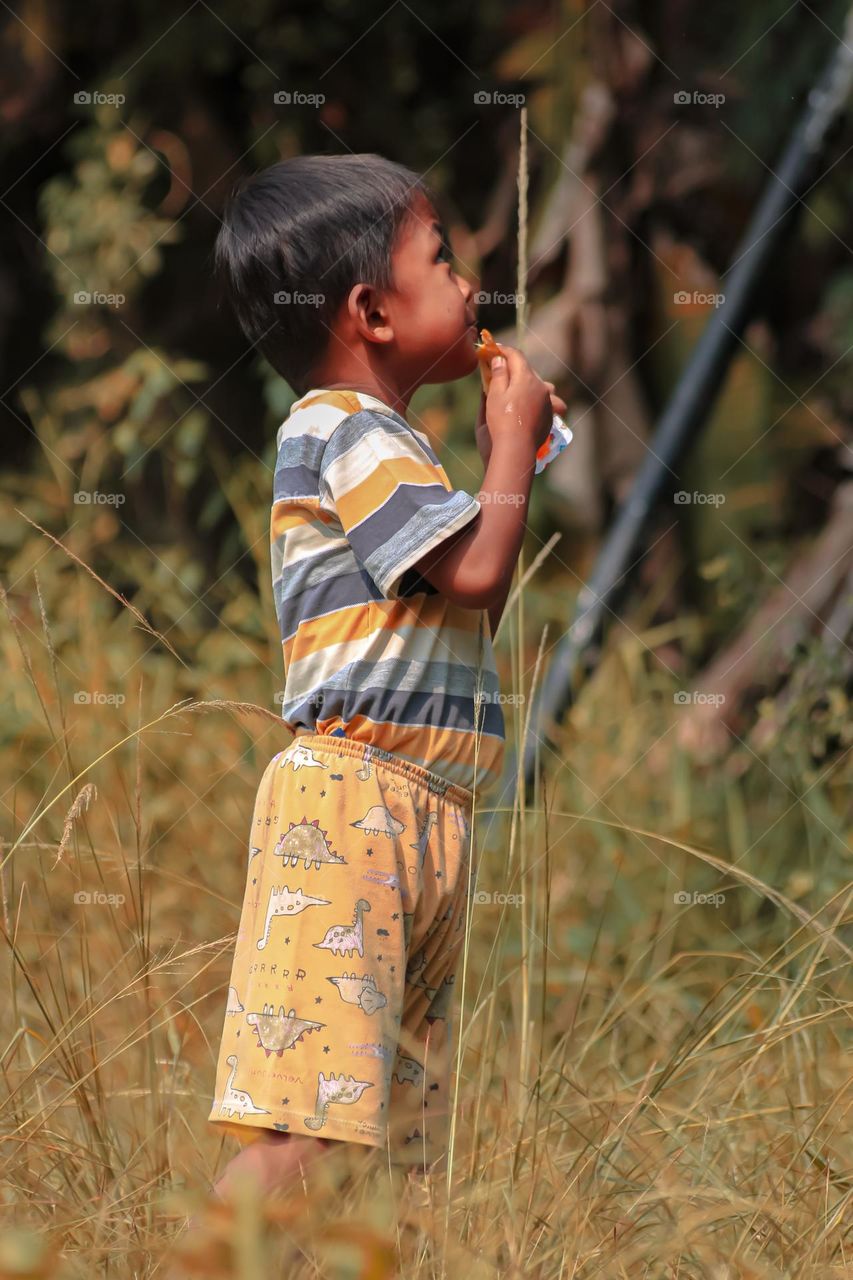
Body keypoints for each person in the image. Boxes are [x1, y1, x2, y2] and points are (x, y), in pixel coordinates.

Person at [203, 152, 566, 1206]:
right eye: (443, 257)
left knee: (377, 1149)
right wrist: (509, 442)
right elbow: (484, 567)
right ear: (369, 308)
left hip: (421, 817)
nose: (468, 284)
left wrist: (509, 458)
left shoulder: (393, 446)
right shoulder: (341, 430)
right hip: (354, 811)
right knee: (307, 1131)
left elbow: (472, 599)